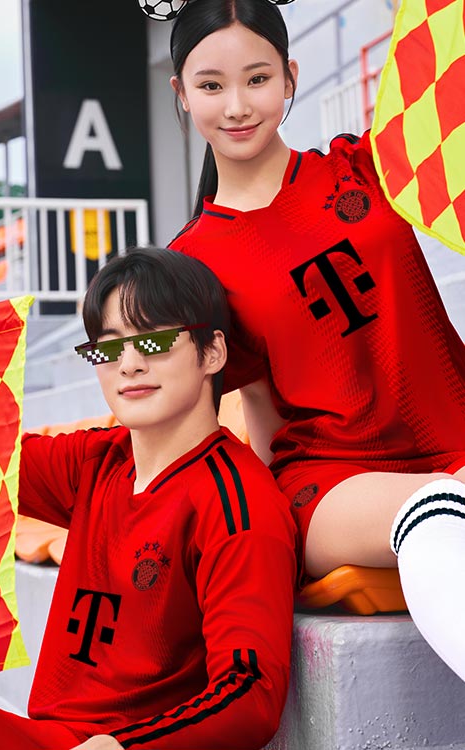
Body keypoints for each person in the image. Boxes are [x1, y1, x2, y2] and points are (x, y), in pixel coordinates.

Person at [163, 0, 465, 682]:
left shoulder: (365, 164)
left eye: (258, 79)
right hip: (332, 482)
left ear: (290, 77)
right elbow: (259, 412)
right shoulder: (190, 266)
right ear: (181, 93)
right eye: (211, 85)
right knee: (436, 511)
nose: (237, 105)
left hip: (453, 432)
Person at [0, 247, 296, 749]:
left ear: (212, 352)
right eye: (110, 347)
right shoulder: (98, 461)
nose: (130, 365)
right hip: (47, 735)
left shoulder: (238, 503)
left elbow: (251, 693)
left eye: (155, 340)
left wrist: (123, 748)